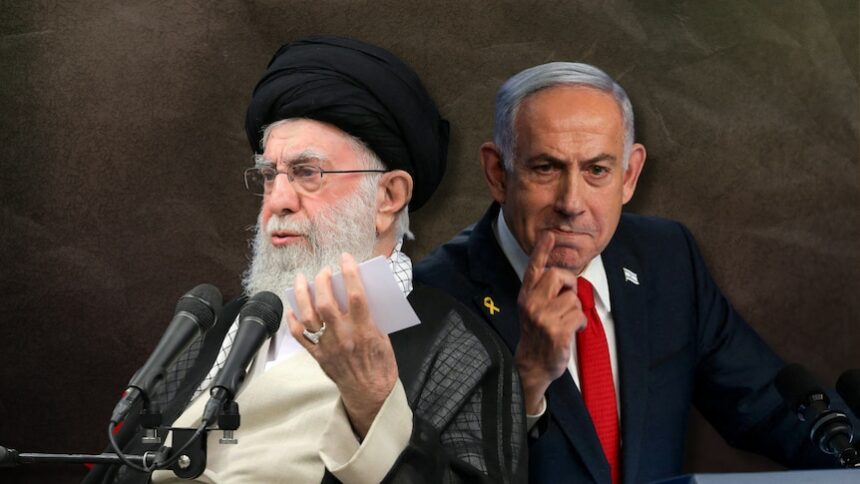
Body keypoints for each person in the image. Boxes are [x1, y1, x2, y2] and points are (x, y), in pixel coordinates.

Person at [86, 36, 525, 484]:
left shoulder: (456, 346)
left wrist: (374, 404)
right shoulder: (222, 328)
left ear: (388, 197)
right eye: (269, 175)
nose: (277, 200)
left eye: (306, 173)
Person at [413, 62, 850, 483]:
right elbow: (428, 475)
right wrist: (527, 380)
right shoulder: (428, 297)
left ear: (629, 175)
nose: (571, 202)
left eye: (597, 170)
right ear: (498, 173)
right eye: (546, 168)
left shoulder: (666, 258)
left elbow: (773, 409)